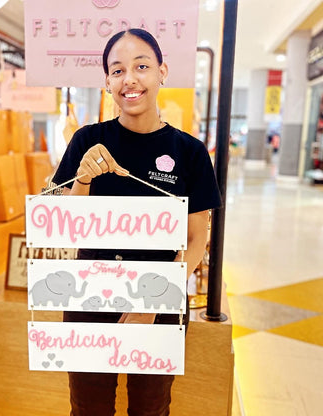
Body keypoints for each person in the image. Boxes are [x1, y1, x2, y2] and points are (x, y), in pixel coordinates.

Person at [52, 28, 222, 416]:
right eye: (117, 70)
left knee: (150, 408)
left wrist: (152, 304)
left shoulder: (190, 153)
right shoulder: (86, 140)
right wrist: (82, 178)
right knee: (88, 407)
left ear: (162, 72)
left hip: (159, 303)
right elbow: (66, 224)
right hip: (88, 298)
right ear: (107, 82)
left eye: (141, 66)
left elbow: (197, 239)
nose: (129, 79)